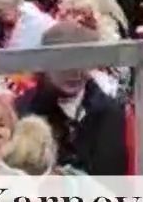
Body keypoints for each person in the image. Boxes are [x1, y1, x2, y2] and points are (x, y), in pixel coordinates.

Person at [15, 22, 129, 177]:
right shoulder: (22, 111)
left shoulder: (110, 111)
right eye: (64, 64)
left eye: (83, 63)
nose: (75, 73)